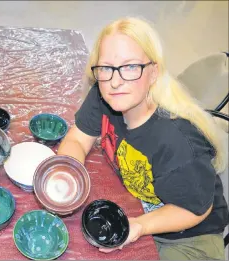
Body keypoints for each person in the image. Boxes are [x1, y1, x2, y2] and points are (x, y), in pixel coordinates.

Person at [57, 17, 228, 260]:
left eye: (130, 67)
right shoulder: (105, 94)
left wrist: (139, 226)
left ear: (154, 72)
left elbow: (194, 210)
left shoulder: (176, 141)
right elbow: (77, 139)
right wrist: (68, 173)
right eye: (106, 67)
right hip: (140, 203)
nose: (115, 81)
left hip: (188, 236)